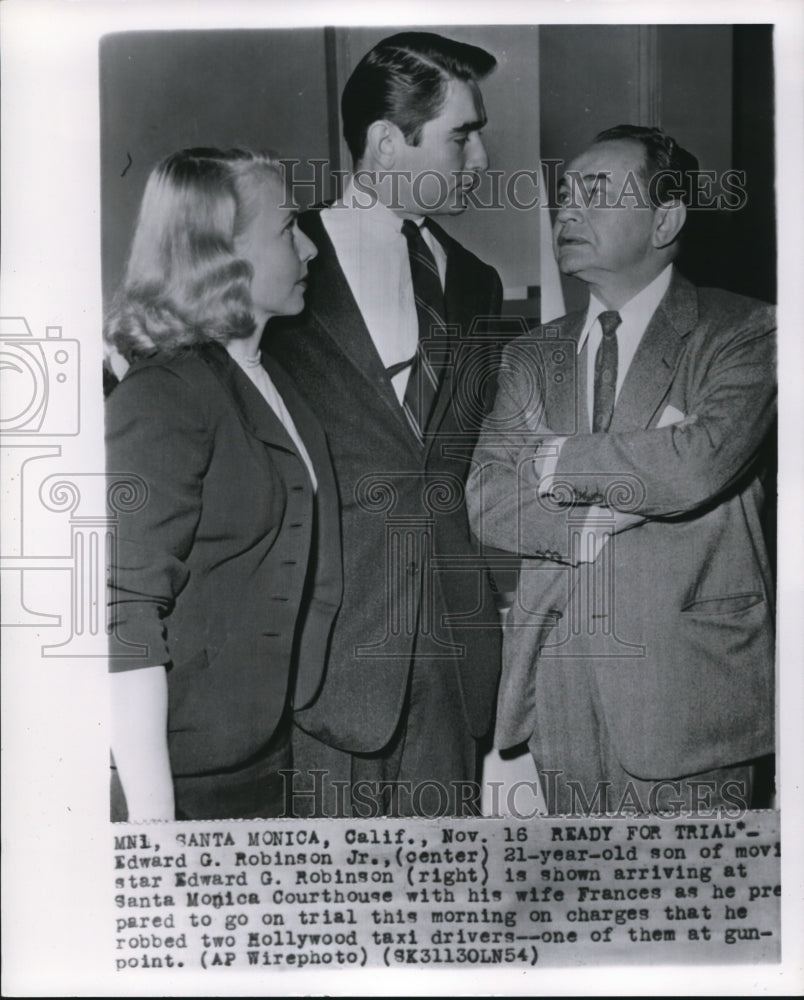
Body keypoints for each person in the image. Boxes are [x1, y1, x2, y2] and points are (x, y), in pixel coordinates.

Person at [467, 125, 776, 815]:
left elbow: (696, 466)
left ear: (665, 218)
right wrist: (602, 511)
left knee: (693, 919)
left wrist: (553, 459)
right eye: (565, 195)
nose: (567, 212)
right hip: (560, 700)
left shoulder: (748, 332)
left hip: (692, 701)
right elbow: (487, 495)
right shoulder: (530, 356)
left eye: (597, 194)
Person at [268, 32, 504, 817]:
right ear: (385, 142)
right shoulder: (274, 262)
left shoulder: (475, 281)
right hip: (321, 667)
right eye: (462, 136)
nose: (481, 161)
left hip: (451, 661)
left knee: (446, 912)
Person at [105, 148, 342, 821]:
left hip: (260, 754)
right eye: (288, 229)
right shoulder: (164, 396)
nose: (310, 251)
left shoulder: (269, 376)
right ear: (223, 255)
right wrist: (153, 831)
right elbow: (122, 615)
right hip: (182, 780)